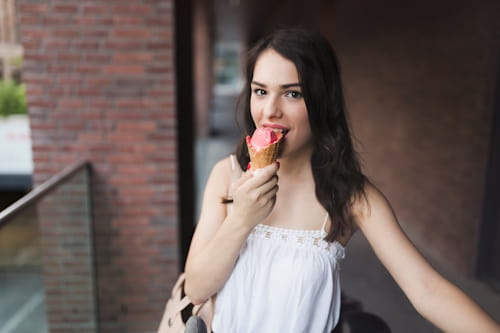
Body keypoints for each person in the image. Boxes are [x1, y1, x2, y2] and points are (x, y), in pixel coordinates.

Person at [183, 28, 500, 332]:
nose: (270, 110)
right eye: (260, 91)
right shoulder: (227, 175)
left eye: (293, 93)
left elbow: (426, 289)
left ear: (321, 101)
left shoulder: (350, 196)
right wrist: (240, 221)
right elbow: (196, 289)